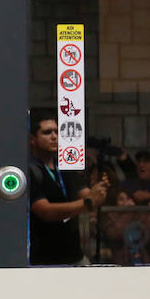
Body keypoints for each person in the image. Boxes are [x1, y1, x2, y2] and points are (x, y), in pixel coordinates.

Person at [28, 111, 107, 265]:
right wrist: (88, 202)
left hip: (74, 255)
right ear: (32, 139)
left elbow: (87, 196)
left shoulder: (64, 168)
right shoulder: (31, 170)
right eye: (47, 132)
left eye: (57, 132)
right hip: (44, 258)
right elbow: (45, 211)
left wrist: (99, 189)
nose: (54, 136)